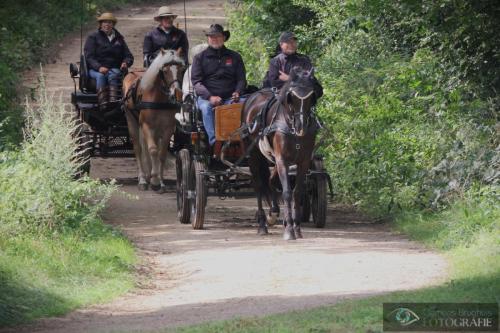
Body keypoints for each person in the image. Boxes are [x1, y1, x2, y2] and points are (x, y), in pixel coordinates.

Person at [191, 24, 247, 146]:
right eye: (211, 36)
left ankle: (244, 139)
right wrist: (210, 97)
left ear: (224, 38)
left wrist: (237, 92)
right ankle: (214, 141)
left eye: (217, 36)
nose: (214, 39)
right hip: (207, 99)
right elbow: (196, 82)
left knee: (248, 104)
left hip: (230, 98)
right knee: (206, 108)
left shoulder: (235, 57)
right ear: (208, 39)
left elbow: (241, 79)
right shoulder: (199, 58)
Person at [84, 12, 134, 110]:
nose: (107, 24)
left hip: (114, 69)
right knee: (100, 76)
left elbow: (129, 56)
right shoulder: (93, 37)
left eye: (110, 22)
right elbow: (89, 57)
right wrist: (99, 67)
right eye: (104, 22)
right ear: (100, 24)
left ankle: (114, 103)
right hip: (95, 70)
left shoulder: (119, 39)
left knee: (114, 74)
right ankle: (103, 104)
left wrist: (126, 63)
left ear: (113, 24)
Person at [263, 31, 323, 97]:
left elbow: (308, 79)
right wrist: (298, 81)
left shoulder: (304, 59)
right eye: (288, 42)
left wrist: (289, 78)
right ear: (281, 44)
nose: (292, 44)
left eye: (294, 42)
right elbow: (274, 82)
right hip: (280, 98)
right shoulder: (275, 61)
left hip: (302, 96)